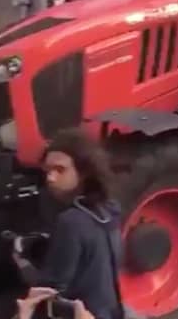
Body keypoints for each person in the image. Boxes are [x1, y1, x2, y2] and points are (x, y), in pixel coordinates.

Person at [34, 129, 123, 319]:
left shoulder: (71, 221)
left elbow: (50, 290)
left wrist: (25, 267)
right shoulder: (111, 209)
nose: (50, 178)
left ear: (84, 173)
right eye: (48, 171)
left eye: (60, 170)